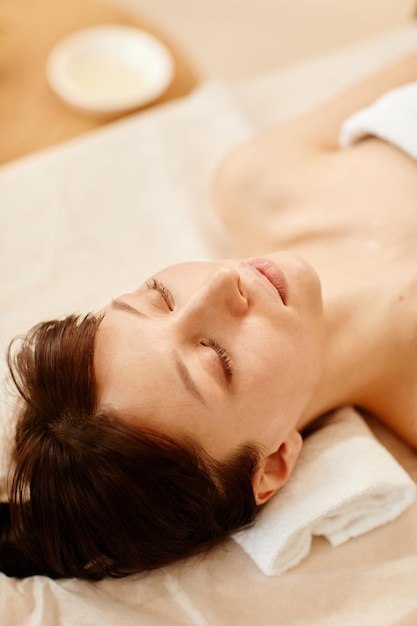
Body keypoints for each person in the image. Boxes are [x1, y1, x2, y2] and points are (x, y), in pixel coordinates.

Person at [1, 51, 417, 580]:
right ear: (270, 466)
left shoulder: (259, 183)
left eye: (159, 297)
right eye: (217, 359)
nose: (221, 283)